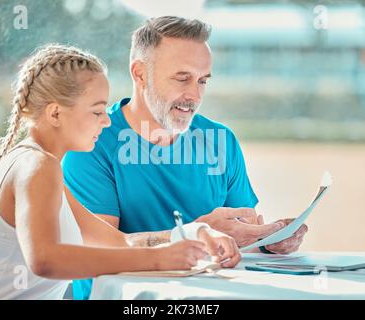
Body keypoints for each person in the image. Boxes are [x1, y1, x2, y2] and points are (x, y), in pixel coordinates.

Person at [63, 16, 308, 300]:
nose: (194, 95)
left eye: (203, 81)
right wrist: (198, 233)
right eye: (182, 79)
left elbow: (240, 239)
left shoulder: (221, 140)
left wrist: (268, 242)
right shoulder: (92, 143)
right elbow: (100, 251)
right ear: (140, 74)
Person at [0, 44, 241, 300]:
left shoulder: (39, 165)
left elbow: (118, 241)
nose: (106, 121)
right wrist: (158, 260)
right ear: (56, 113)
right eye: (97, 111)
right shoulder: (37, 167)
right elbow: (45, 260)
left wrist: (193, 233)